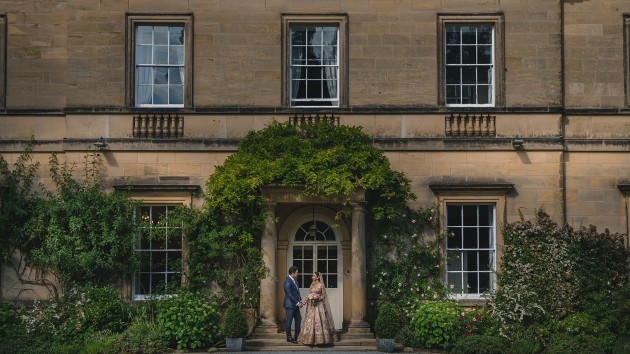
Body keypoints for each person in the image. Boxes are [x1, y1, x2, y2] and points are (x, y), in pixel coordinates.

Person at [297, 271, 336, 346]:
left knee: (319, 321)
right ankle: (309, 339)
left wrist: (317, 297)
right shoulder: (312, 285)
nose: (312, 277)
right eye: (312, 276)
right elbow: (309, 295)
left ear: (318, 277)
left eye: (314, 276)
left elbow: (324, 297)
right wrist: (304, 303)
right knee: (310, 321)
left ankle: (320, 340)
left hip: (319, 305)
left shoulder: (321, 285)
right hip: (311, 306)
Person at [283, 266, 303, 343]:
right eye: (297, 273)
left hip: (295, 304)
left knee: (299, 319)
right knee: (289, 321)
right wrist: (297, 303)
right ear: (293, 273)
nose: (298, 274)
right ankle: (289, 337)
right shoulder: (287, 281)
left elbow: (297, 292)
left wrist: (300, 301)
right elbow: (289, 294)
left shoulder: (294, 280)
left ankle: (297, 336)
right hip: (290, 305)